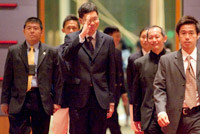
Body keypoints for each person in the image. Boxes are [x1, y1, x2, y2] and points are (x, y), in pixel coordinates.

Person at [61, 2, 116, 134]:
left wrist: (111, 100)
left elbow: (111, 71)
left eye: (95, 19)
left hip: (100, 97)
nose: (92, 23)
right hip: (78, 97)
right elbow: (66, 56)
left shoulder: (107, 40)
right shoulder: (72, 38)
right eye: (88, 20)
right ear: (81, 21)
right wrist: (81, 36)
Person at [0, 17, 62, 134]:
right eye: (29, 28)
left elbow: (57, 79)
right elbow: (8, 78)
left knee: (41, 131)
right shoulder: (14, 51)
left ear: (42, 32)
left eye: (35, 28)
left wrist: (57, 101)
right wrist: (4, 101)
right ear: (24, 31)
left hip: (41, 99)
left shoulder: (51, 52)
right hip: (19, 99)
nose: (32, 31)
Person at [154, 16, 200, 134]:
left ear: (198, 35)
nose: (187, 37)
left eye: (191, 33)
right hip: (174, 118)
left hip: (197, 116)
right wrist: (161, 111)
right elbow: (159, 88)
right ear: (178, 35)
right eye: (183, 33)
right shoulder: (166, 60)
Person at [131, 25, 168, 134]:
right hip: (149, 116)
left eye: (157, 37)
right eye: (150, 37)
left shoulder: (174, 60)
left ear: (164, 38)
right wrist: (136, 118)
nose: (154, 40)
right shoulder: (140, 63)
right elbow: (137, 93)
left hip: (170, 114)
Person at [52, 14, 80, 134]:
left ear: (80, 30)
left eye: (74, 28)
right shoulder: (55, 52)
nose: (71, 30)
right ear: (63, 30)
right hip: (60, 99)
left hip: (79, 99)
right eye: (69, 28)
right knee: (58, 130)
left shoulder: (85, 51)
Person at [103, 26, 128, 134]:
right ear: (108, 36)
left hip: (115, 95)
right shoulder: (100, 52)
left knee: (113, 124)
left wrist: (123, 92)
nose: (118, 39)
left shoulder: (117, 53)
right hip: (103, 96)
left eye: (119, 37)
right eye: (116, 36)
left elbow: (119, 75)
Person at [127, 27, 151, 134]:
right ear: (139, 39)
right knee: (138, 130)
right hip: (137, 101)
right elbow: (130, 82)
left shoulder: (160, 57)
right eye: (142, 37)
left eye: (147, 37)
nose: (145, 40)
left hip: (152, 100)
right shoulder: (133, 58)